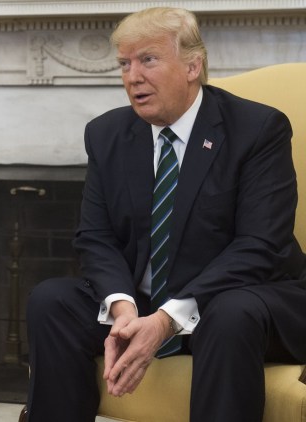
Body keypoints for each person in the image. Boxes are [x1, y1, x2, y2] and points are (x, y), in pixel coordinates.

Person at [25, 7, 306, 422]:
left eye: (148, 60)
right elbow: (95, 237)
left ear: (193, 66)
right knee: (52, 301)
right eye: (124, 63)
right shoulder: (107, 135)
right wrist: (123, 310)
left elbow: (260, 245)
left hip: (243, 299)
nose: (132, 76)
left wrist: (167, 318)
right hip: (144, 304)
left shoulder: (257, 129)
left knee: (229, 314)